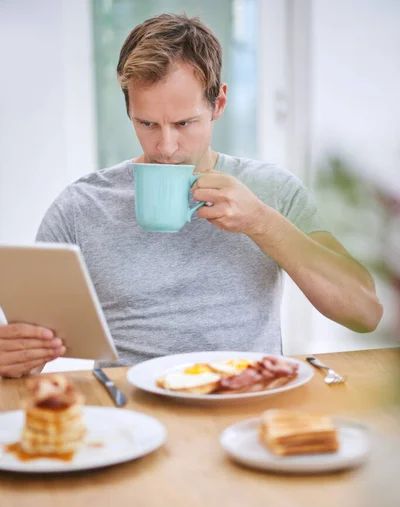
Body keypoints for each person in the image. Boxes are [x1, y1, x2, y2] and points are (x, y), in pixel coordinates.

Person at [0, 13, 383, 378]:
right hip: (132, 415)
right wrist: (19, 358)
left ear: (218, 105)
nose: (165, 146)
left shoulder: (271, 190)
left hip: (246, 403)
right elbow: (30, 351)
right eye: (147, 123)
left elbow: (365, 313)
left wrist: (262, 223)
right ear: (129, 109)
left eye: (184, 123)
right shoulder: (81, 206)